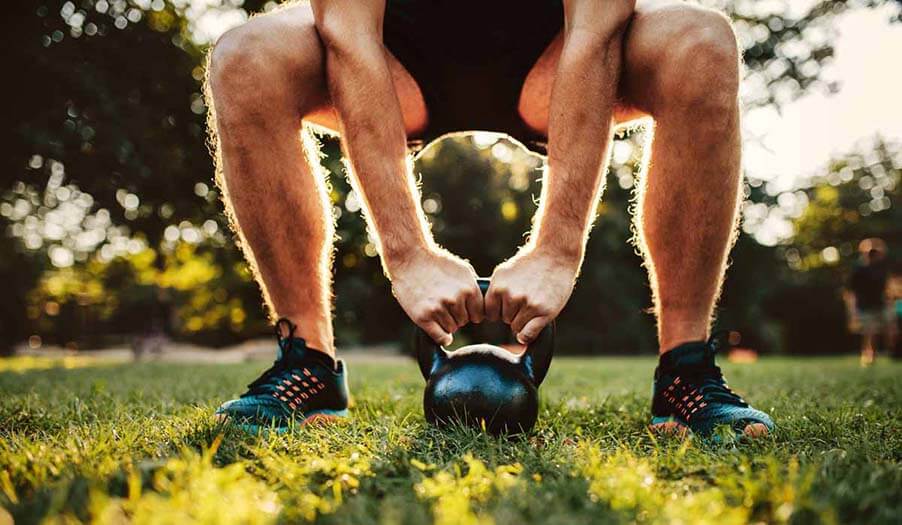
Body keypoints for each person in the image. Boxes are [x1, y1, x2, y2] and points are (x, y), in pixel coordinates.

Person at [205, 0, 773, 437]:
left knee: (702, 43)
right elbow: (348, 36)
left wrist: (556, 249)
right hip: (391, 55)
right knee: (245, 58)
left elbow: (595, 32)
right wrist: (408, 255)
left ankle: (685, 367)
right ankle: (307, 361)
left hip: (556, 50)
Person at [845, 239, 892, 366]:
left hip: (881, 304)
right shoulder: (858, 270)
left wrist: (889, 301)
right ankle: (869, 355)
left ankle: (893, 352)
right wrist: (852, 311)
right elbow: (850, 291)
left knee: (890, 329)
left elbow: (886, 288)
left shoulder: (881, 269)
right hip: (864, 305)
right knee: (870, 332)